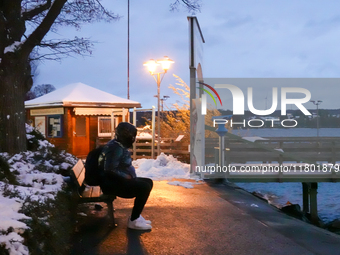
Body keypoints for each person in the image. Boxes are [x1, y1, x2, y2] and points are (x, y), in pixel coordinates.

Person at [99, 122, 153, 230]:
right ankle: (133, 221)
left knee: (148, 182)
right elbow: (109, 169)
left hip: (115, 181)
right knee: (144, 187)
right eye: (132, 136)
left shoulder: (117, 144)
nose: (133, 138)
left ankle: (136, 216)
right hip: (113, 184)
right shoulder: (116, 148)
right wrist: (125, 176)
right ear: (126, 136)